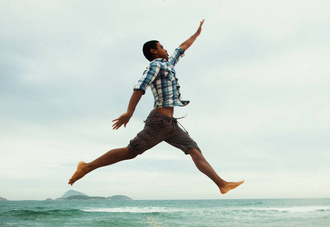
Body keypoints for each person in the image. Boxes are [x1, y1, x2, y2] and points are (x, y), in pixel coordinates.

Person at [68, 20, 244, 194]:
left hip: (170, 125)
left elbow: (182, 47)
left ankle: (222, 184)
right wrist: (129, 112)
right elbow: (140, 86)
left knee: (194, 150)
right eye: (162, 46)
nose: (166, 49)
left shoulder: (168, 64)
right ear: (154, 51)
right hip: (158, 122)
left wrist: (196, 34)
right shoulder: (155, 65)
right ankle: (86, 167)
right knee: (130, 152)